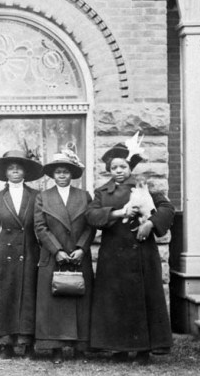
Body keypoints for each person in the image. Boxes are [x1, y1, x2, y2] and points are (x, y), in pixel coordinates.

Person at [85, 136, 175, 364]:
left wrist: (150, 224)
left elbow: (167, 208)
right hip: (114, 255)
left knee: (143, 299)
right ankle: (118, 348)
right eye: (114, 167)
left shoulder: (144, 187)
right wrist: (119, 213)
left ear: (130, 167)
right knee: (116, 301)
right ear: (109, 170)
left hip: (142, 253)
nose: (118, 171)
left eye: (123, 166)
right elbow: (92, 215)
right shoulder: (102, 192)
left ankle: (144, 349)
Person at [0, 150, 43, 359]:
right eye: (11, 168)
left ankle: (27, 344)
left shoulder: (36, 196)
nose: (15, 171)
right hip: (4, 253)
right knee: (2, 298)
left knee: (28, 297)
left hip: (29, 252)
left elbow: (41, 226)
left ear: (25, 171)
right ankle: (5, 344)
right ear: (5, 172)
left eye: (19, 167)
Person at [34, 150, 94, 364]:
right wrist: (57, 250)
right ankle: (55, 348)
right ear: (52, 175)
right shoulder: (43, 197)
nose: (61, 175)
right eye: (58, 172)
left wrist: (81, 248)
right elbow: (40, 227)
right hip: (53, 256)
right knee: (54, 303)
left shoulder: (84, 195)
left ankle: (80, 347)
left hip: (78, 256)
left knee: (79, 300)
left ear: (72, 174)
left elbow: (91, 225)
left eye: (66, 171)